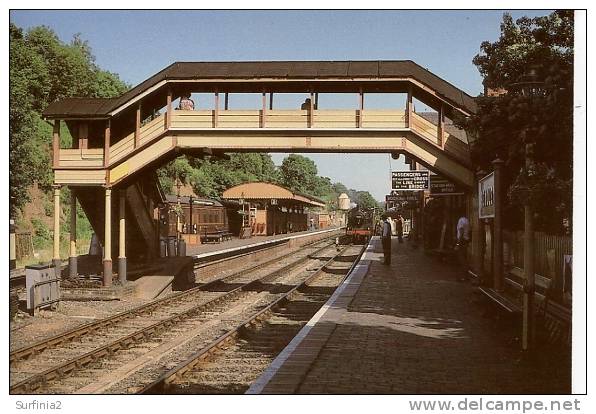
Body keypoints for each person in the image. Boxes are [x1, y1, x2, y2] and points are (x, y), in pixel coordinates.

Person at [456, 211, 471, 281]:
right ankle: (465, 276)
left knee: (462, 259)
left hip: (462, 241)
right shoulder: (467, 220)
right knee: (464, 258)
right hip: (466, 241)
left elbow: (461, 231)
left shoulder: (461, 220)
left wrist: (458, 244)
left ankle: (463, 276)